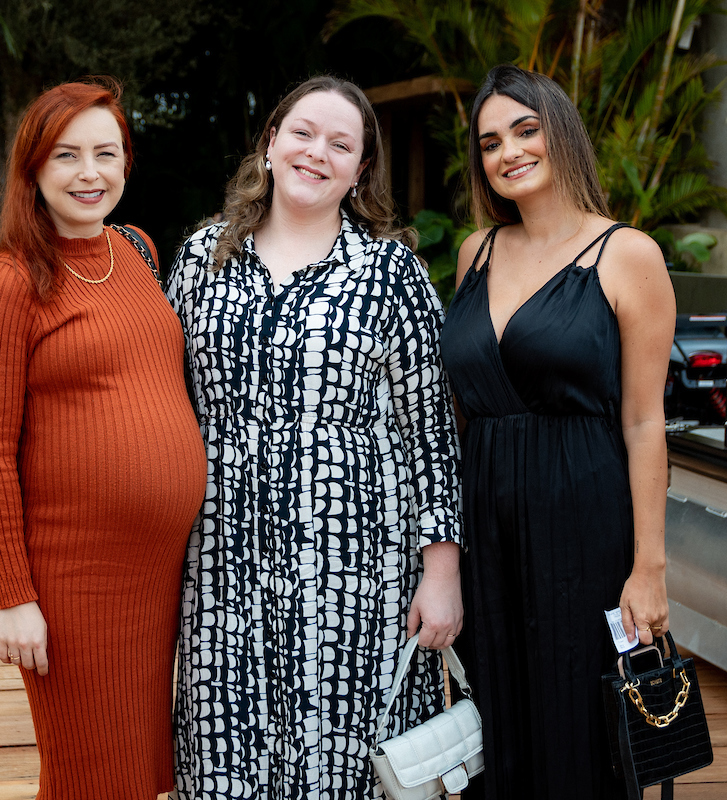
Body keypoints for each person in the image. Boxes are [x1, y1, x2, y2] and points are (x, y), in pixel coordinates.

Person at [166, 75, 463, 800]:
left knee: (348, 772)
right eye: (301, 133)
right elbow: (160, 404)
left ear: (360, 172)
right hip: (221, 568)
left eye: (341, 144)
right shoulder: (203, 260)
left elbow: (432, 430)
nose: (316, 153)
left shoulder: (392, 274)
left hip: (355, 579)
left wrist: (442, 572)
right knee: (221, 764)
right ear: (270, 143)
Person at [0, 79, 206, 798]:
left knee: (137, 767)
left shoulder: (137, 250)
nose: (89, 173)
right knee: (87, 771)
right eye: (66, 156)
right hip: (75, 579)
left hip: (162, 573)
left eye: (106, 153)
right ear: (33, 169)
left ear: (127, 163)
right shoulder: (10, 282)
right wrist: (15, 597)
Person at [440, 63, 675, 799]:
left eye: (524, 130)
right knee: (497, 708)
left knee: (582, 715)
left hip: (586, 515)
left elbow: (643, 421)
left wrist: (650, 567)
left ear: (559, 133)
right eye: (489, 142)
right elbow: (459, 406)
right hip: (488, 519)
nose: (507, 152)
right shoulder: (473, 253)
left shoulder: (626, 255)